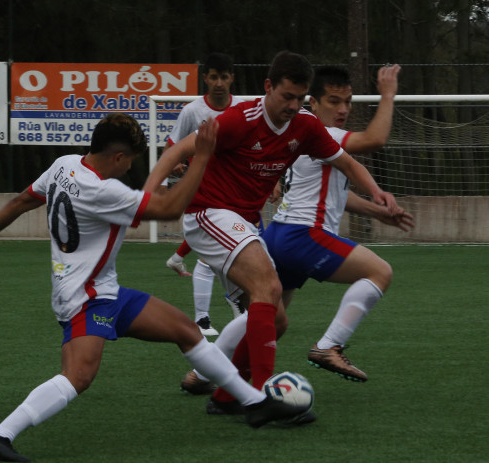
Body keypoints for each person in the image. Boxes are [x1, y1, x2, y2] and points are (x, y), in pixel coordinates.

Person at [0, 113, 308, 462]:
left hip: (106, 291)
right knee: (78, 376)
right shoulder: (104, 191)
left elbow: (21, 201)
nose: (129, 170)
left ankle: (254, 403)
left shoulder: (64, 165)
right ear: (119, 157)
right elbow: (170, 207)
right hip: (85, 298)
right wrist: (201, 155)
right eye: (131, 162)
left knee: (186, 331)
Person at [143, 51, 400, 398]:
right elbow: (177, 152)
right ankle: (261, 394)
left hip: (249, 224)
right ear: (268, 87)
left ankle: (221, 392)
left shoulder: (306, 126)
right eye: (286, 96)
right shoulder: (238, 120)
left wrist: (377, 192)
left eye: (298, 98)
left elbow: (349, 165)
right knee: (269, 286)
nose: (292, 105)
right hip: (209, 213)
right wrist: (147, 194)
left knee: (275, 320)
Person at [202, 64, 413, 415]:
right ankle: (328, 347)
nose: (343, 110)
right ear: (312, 103)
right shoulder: (324, 133)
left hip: (281, 233)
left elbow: (334, 194)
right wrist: (388, 94)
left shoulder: (302, 136)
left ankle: (206, 372)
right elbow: (374, 140)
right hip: (303, 235)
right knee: (379, 272)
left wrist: (377, 210)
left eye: (347, 102)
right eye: (334, 101)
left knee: (271, 317)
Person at [162, 52, 243, 338]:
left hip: (237, 191)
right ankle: (207, 318)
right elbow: (172, 146)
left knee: (238, 251)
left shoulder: (244, 108)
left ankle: (225, 308)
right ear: (205, 78)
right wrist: (176, 162)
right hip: (204, 192)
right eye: (213, 77)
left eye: (224, 77)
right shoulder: (192, 111)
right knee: (213, 255)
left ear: (232, 78)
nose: (219, 83)